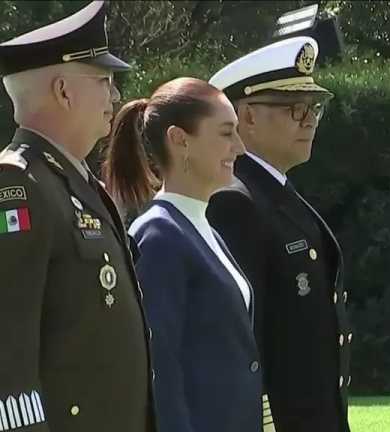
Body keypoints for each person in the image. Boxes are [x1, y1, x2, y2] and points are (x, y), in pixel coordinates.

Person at [0, 2, 154, 431]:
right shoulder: (18, 185)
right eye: (104, 81)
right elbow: (6, 348)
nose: (116, 95)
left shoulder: (76, 183)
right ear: (64, 90)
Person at [102, 77, 263, 432]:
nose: (239, 147)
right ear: (179, 140)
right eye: (225, 133)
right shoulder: (159, 235)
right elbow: (161, 371)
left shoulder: (205, 229)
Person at [206, 37, 351, 432]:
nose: (309, 120)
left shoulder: (274, 194)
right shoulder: (236, 201)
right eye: (294, 109)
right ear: (247, 116)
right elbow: (243, 340)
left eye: (314, 108)